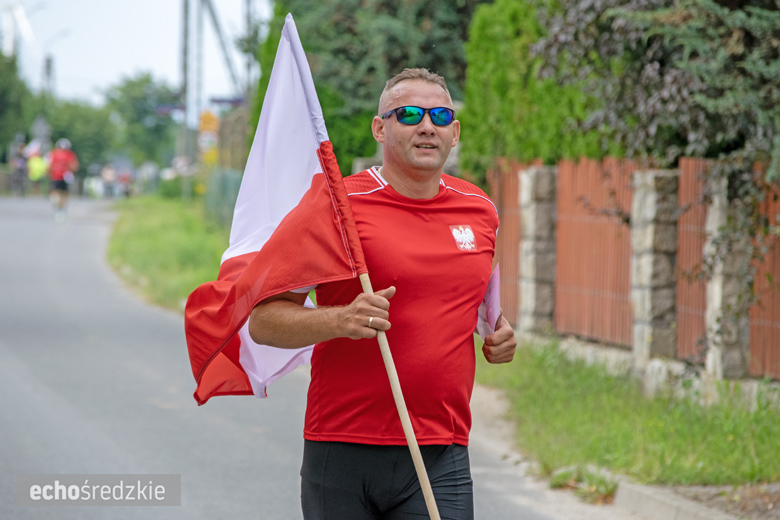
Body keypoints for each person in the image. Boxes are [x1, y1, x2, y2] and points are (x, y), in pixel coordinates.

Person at [249, 68, 517, 520]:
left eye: (439, 115)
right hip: (342, 446)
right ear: (380, 128)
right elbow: (264, 320)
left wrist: (500, 333)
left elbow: (473, 306)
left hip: (440, 448)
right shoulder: (336, 207)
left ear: (455, 132)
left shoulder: (481, 210)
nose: (426, 125)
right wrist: (338, 320)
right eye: (409, 113)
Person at [48, 138, 79, 223]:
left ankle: (54, 199)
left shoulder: (53, 153)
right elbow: (74, 166)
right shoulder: (69, 154)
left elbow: (49, 165)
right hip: (65, 177)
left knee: (54, 191)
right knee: (64, 194)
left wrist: (49, 173)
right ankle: (60, 211)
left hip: (55, 176)